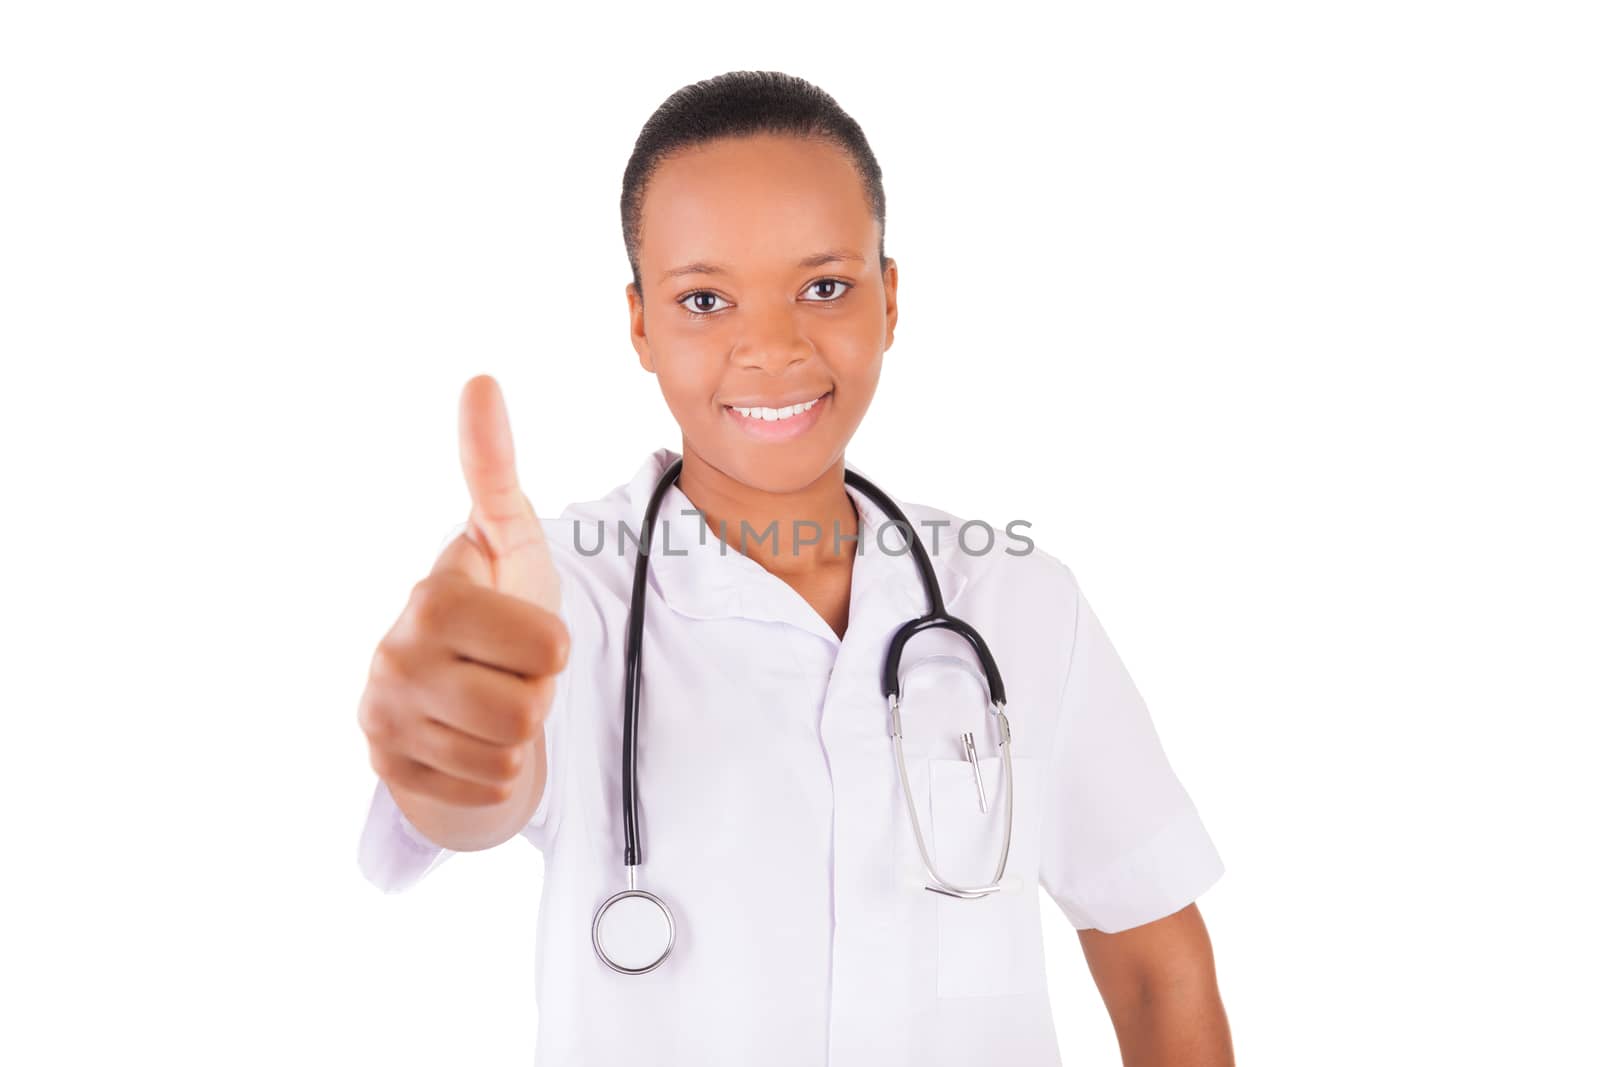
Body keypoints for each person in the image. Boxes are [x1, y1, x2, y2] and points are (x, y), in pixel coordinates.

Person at [355, 70, 1233, 1067]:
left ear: (890, 298)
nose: (769, 347)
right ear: (639, 324)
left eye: (824, 287)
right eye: (704, 299)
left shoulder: (1019, 602)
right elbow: (473, 789)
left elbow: (1159, 971)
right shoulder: (564, 597)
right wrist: (447, 739)